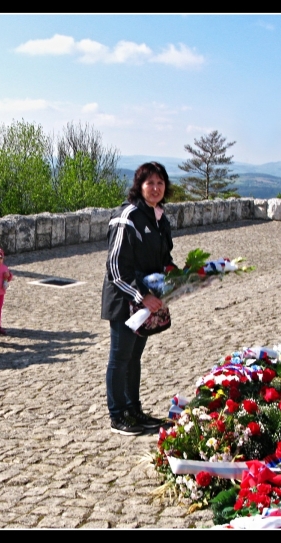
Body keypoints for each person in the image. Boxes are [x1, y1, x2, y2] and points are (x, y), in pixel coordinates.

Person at [101, 161, 176, 436]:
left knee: (134, 357)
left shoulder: (159, 218)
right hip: (124, 301)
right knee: (120, 358)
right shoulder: (127, 216)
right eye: (150, 183)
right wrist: (141, 296)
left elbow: (163, 259)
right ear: (139, 186)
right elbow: (115, 267)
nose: (155, 188)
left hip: (145, 303)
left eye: (160, 183)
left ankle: (134, 410)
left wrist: (183, 276)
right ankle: (117, 415)